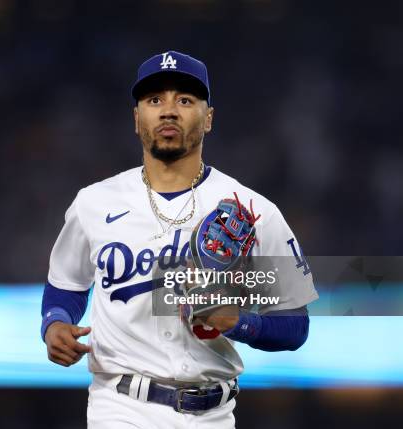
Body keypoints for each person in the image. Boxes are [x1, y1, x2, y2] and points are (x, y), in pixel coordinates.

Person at [41, 51, 318, 428]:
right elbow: (66, 284)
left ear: (209, 119)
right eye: (155, 100)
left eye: (185, 100)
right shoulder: (94, 202)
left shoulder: (253, 211)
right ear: (137, 118)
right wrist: (55, 324)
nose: (168, 111)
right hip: (120, 407)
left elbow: (295, 325)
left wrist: (238, 323)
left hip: (213, 415)